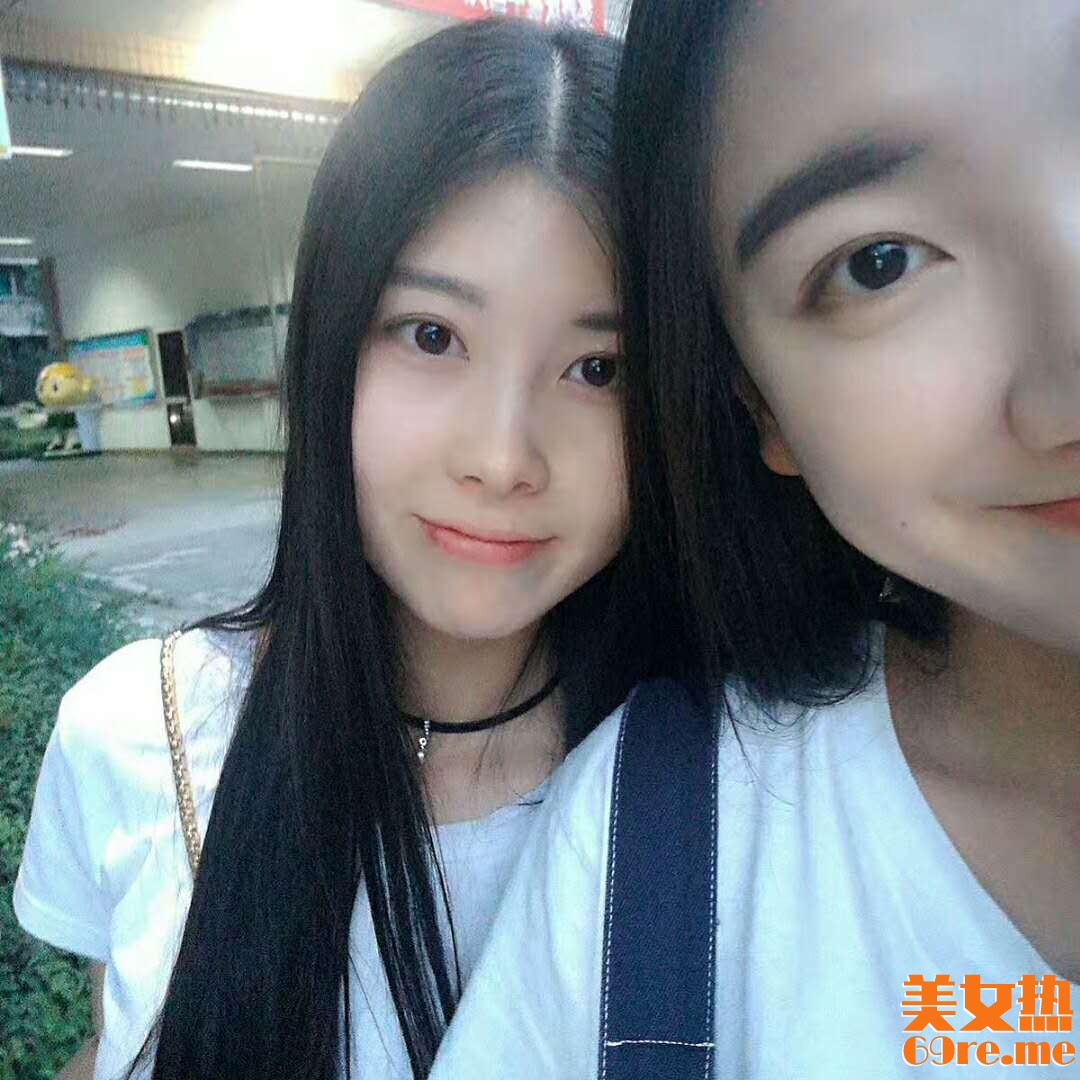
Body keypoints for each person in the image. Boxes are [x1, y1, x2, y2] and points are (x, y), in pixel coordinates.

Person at [14, 18, 687, 1080]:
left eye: (600, 370)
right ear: (330, 348)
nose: (502, 458)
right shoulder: (141, 736)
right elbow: (113, 1045)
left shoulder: (738, 790)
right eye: (432, 336)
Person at [427, 1, 1080, 1076]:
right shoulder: (659, 855)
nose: (1066, 385)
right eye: (878, 262)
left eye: (597, 368)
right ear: (757, 403)